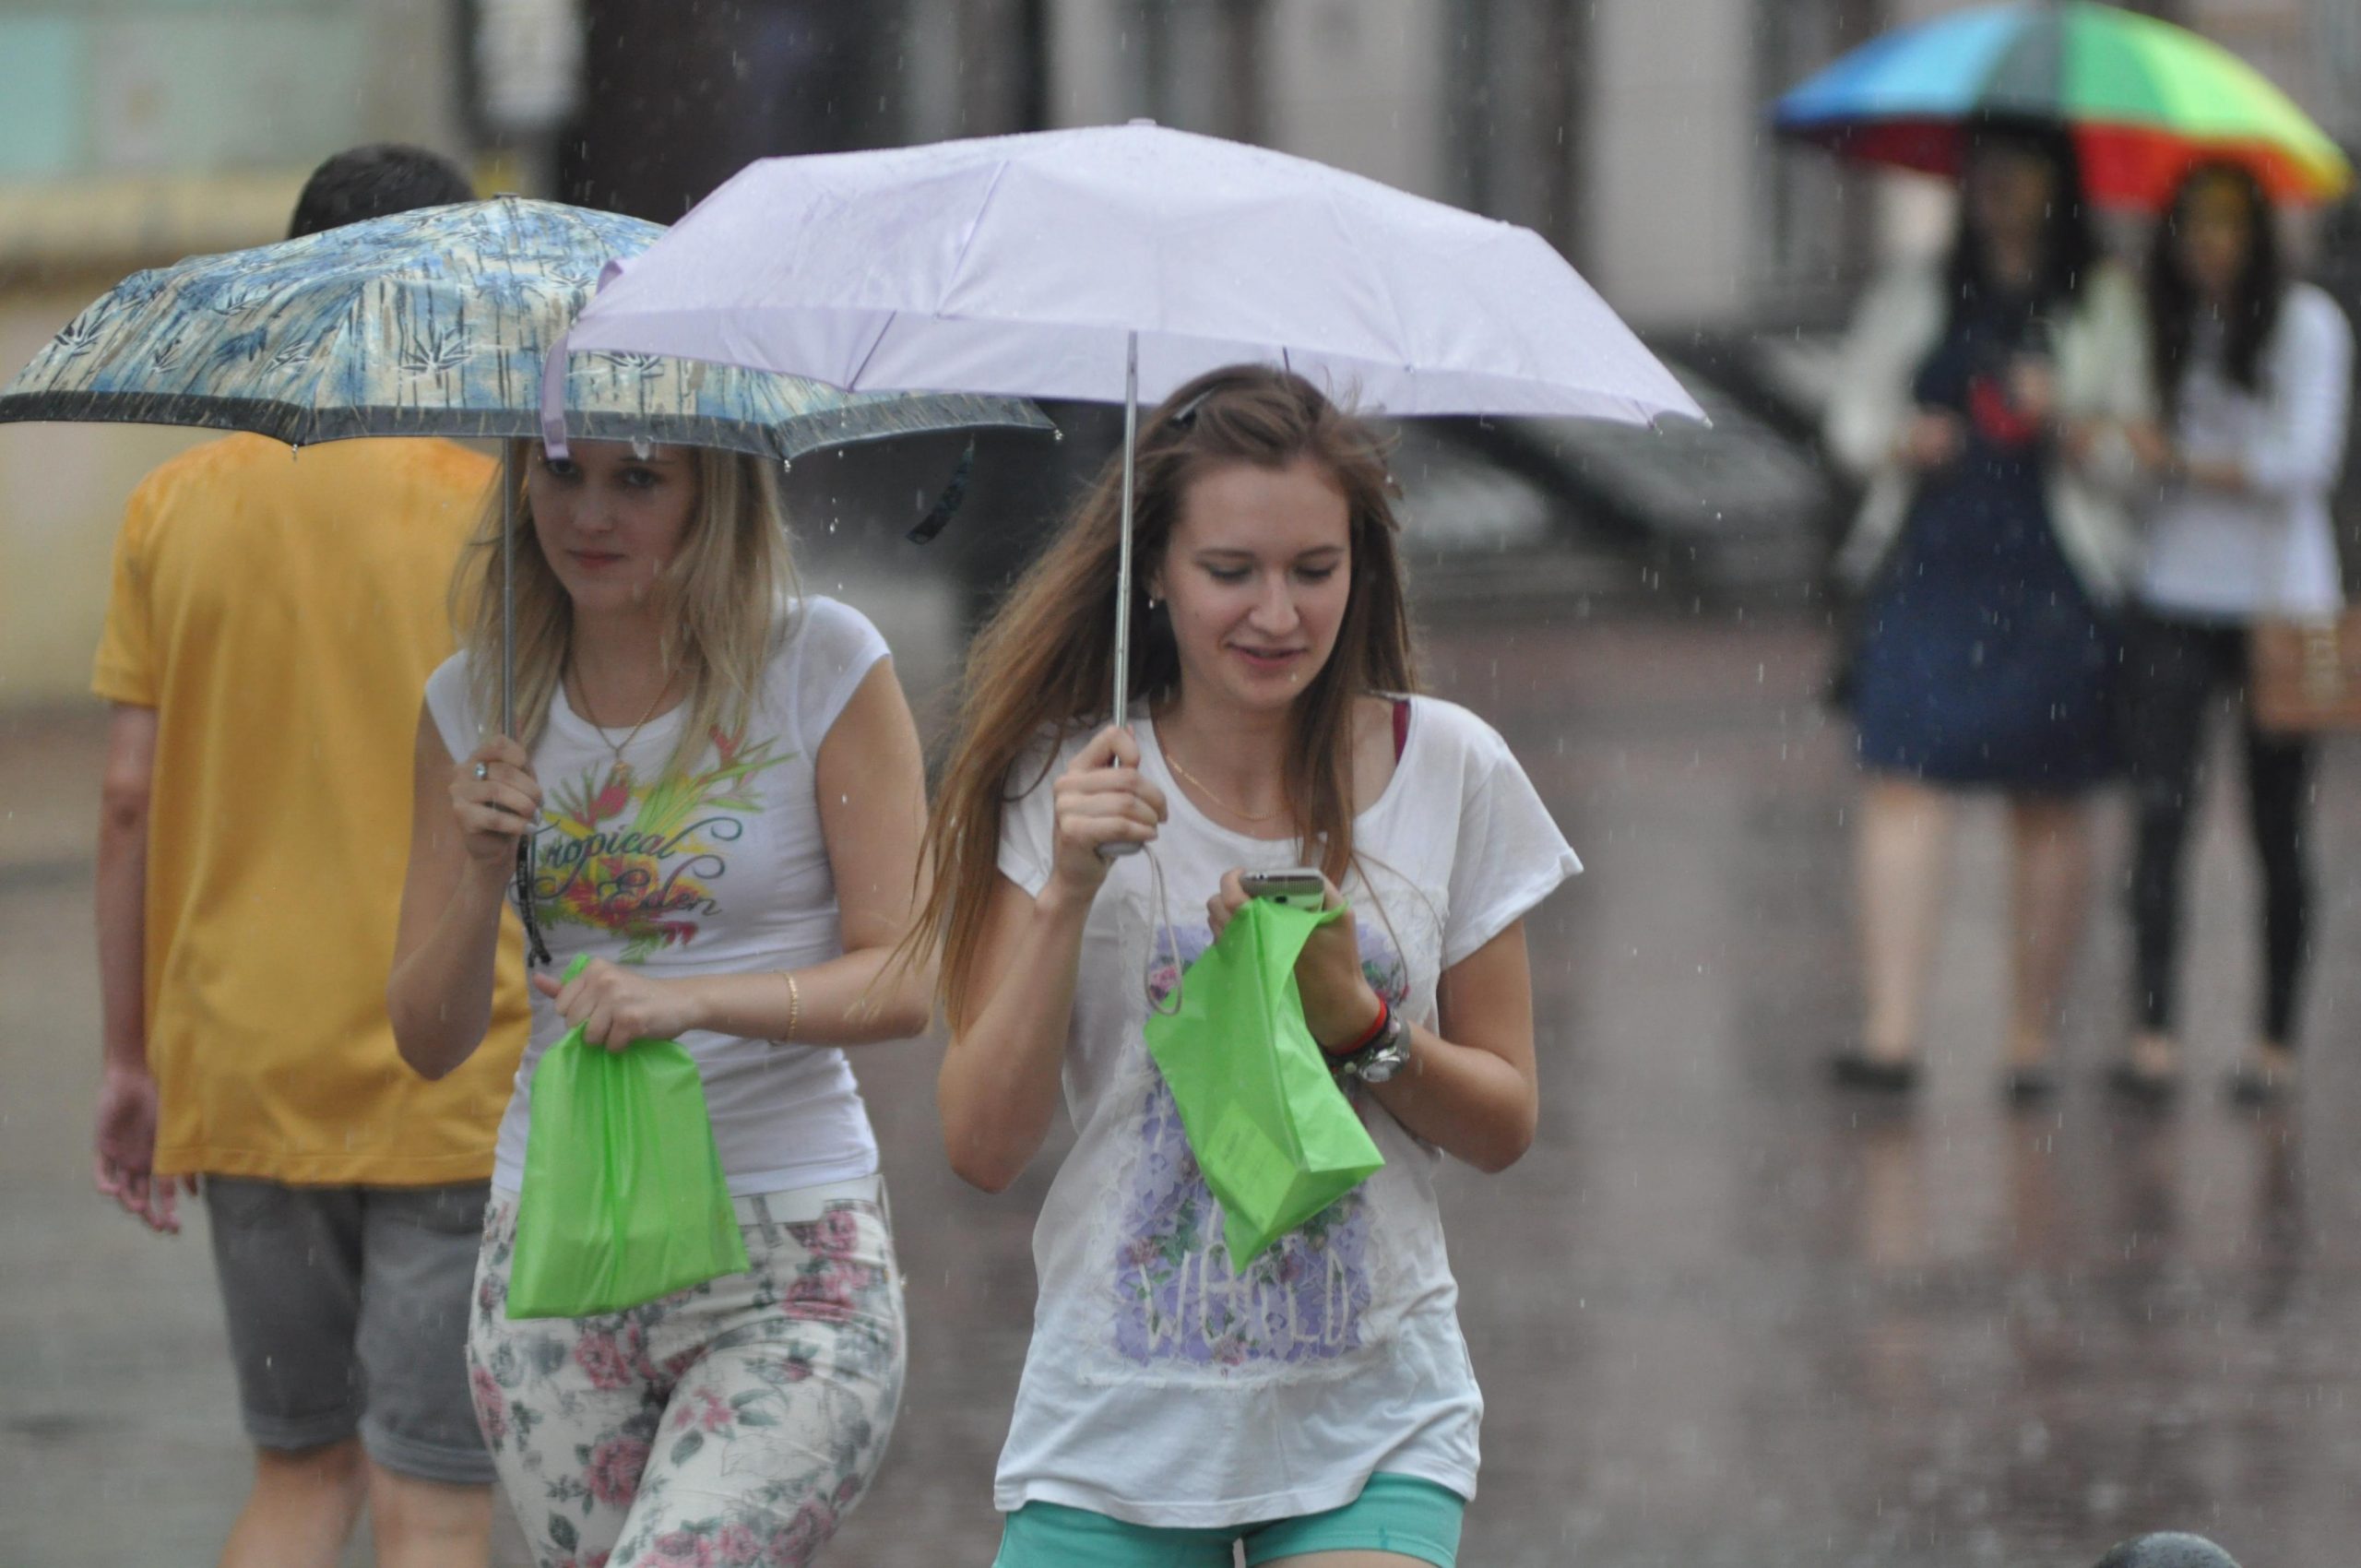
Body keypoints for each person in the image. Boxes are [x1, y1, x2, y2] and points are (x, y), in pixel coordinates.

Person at [910, 365, 1580, 1568]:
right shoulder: (1065, 785)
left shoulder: (1453, 772)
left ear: (1359, 569)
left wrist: (1357, 1020)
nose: (1276, 612)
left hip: (1371, 1416)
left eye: (1313, 570)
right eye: (1232, 572)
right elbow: (983, 1144)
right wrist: (1067, 886)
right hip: (1113, 1424)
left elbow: (1504, 1125)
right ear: (1156, 572)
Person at [89, 144, 532, 1568]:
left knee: (301, 1476)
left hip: (243, 1050)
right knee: (434, 1496)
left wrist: (131, 1059)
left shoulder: (177, 506)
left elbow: (125, 799)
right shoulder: (514, 514)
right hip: (457, 1053)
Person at [387, 432, 929, 1567]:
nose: (588, 513)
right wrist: (481, 861)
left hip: (788, 1254)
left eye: (638, 477)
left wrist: (694, 1001)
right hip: (558, 1254)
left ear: (713, 491)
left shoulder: (819, 664)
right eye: (560, 470)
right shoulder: (473, 696)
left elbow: (905, 975)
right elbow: (426, 1037)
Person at [1821, 115, 2153, 1102]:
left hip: (2054, 572)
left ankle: (2027, 1040)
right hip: (1936, 561)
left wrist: (2076, 424)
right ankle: (1891, 1032)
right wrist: (1899, 438)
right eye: (1987, 173)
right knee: (1900, 777)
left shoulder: (2102, 302)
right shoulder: (1918, 288)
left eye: (2019, 173)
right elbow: (1850, 418)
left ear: (2057, 186)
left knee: (2047, 798)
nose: (1999, 190)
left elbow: (2141, 453)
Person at [2112, 160, 2352, 1105]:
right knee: (2159, 813)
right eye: (2191, 225)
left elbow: (2304, 461)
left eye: (2227, 225)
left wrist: (2180, 458)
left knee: (2278, 827)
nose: (2208, 246)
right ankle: (2153, 1026)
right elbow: (2131, 461)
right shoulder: (2157, 323)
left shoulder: (2309, 326)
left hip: (2291, 605)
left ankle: (2274, 1035)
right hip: (2172, 592)